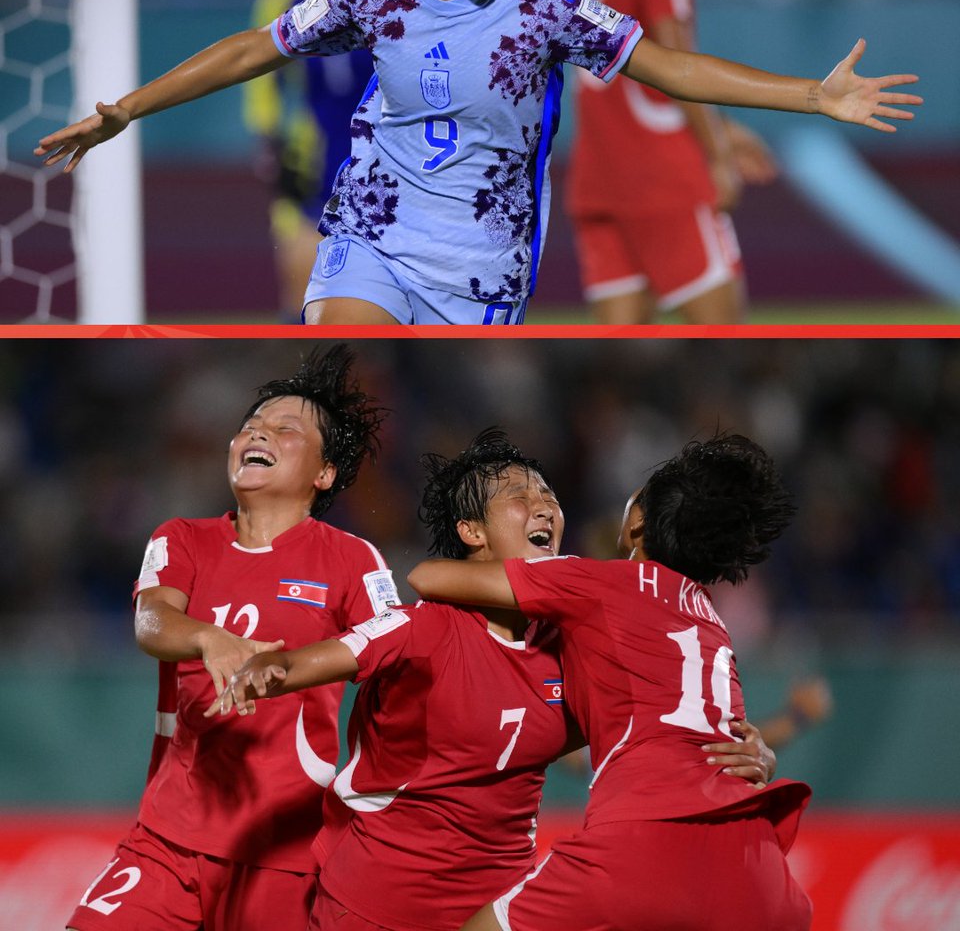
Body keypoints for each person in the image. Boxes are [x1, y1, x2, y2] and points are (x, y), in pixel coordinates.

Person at [35, 0, 921, 328]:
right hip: (372, 237)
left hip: (484, 262)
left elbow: (667, 65)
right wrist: (124, 110)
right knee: (336, 371)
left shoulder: (548, 5)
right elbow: (247, 52)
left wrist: (813, 95)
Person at [207, 429, 773, 931]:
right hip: (377, 905)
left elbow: (659, 723)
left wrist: (750, 750)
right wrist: (267, 669)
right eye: (520, 495)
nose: (544, 506)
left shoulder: (572, 651)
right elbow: (317, 660)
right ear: (471, 530)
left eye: (549, 495)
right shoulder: (423, 627)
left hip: (503, 903)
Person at [408, 434, 813, 931]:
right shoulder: (709, 618)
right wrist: (765, 751)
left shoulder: (594, 581)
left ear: (637, 521)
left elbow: (429, 578)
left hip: (644, 844)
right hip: (758, 865)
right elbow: (711, 731)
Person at [67, 345, 400, 931]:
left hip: (282, 853)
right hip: (168, 838)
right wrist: (210, 639)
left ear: (324, 474)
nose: (259, 433)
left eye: (285, 428)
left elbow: (394, 645)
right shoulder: (183, 538)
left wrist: (294, 668)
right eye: (251, 425)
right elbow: (151, 622)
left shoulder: (350, 559)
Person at [567, 0, 778, 324]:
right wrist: (715, 155)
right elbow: (677, 61)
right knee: (728, 341)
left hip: (598, 171)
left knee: (625, 352)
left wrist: (725, 130)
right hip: (660, 175)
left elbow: (626, 68)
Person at [244, 0, 382, 320]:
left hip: (386, 160)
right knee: (302, 286)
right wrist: (270, 144)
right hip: (312, 160)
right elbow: (261, 83)